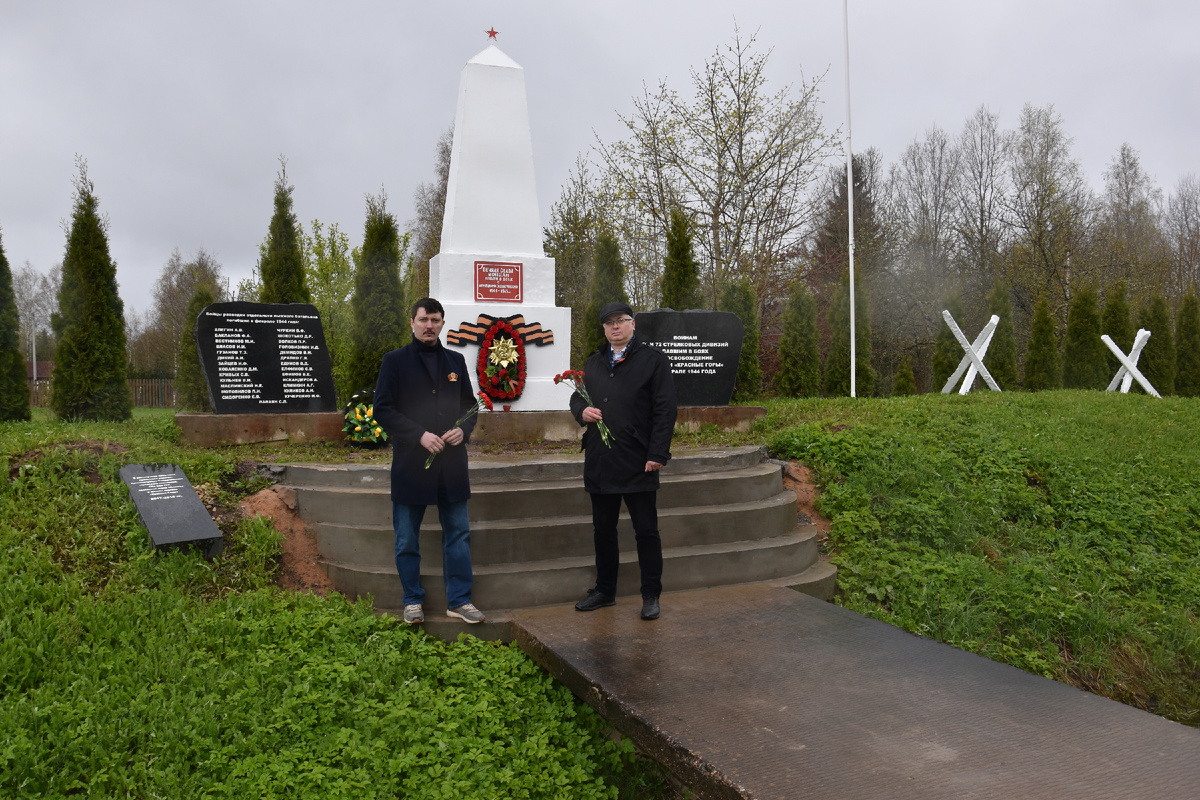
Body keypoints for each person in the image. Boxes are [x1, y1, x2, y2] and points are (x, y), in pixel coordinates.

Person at [373, 297, 485, 625]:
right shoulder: (394, 361)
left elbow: (470, 404)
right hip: (411, 466)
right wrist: (419, 435)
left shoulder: (455, 360)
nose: (429, 326)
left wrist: (463, 429)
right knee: (407, 538)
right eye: (423, 320)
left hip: (451, 466)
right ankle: (411, 600)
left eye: (435, 320)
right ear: (412, 322)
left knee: (458, 534)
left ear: (442, 323)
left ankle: (459, 600)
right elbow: (383, 409)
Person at [569, 301, 678, 620]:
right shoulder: (593, 362)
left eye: (621, 321)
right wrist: (581, 411)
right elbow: (578, 395)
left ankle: (650, 594)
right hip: (601, 461)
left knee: (646, 531)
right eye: (609, 323)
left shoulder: (653, 361)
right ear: (603, 330)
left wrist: (658, 453)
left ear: (633, 324)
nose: (614, 327)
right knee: (603, 530)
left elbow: (665, 409)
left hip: (638, 460)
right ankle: (604, 591)